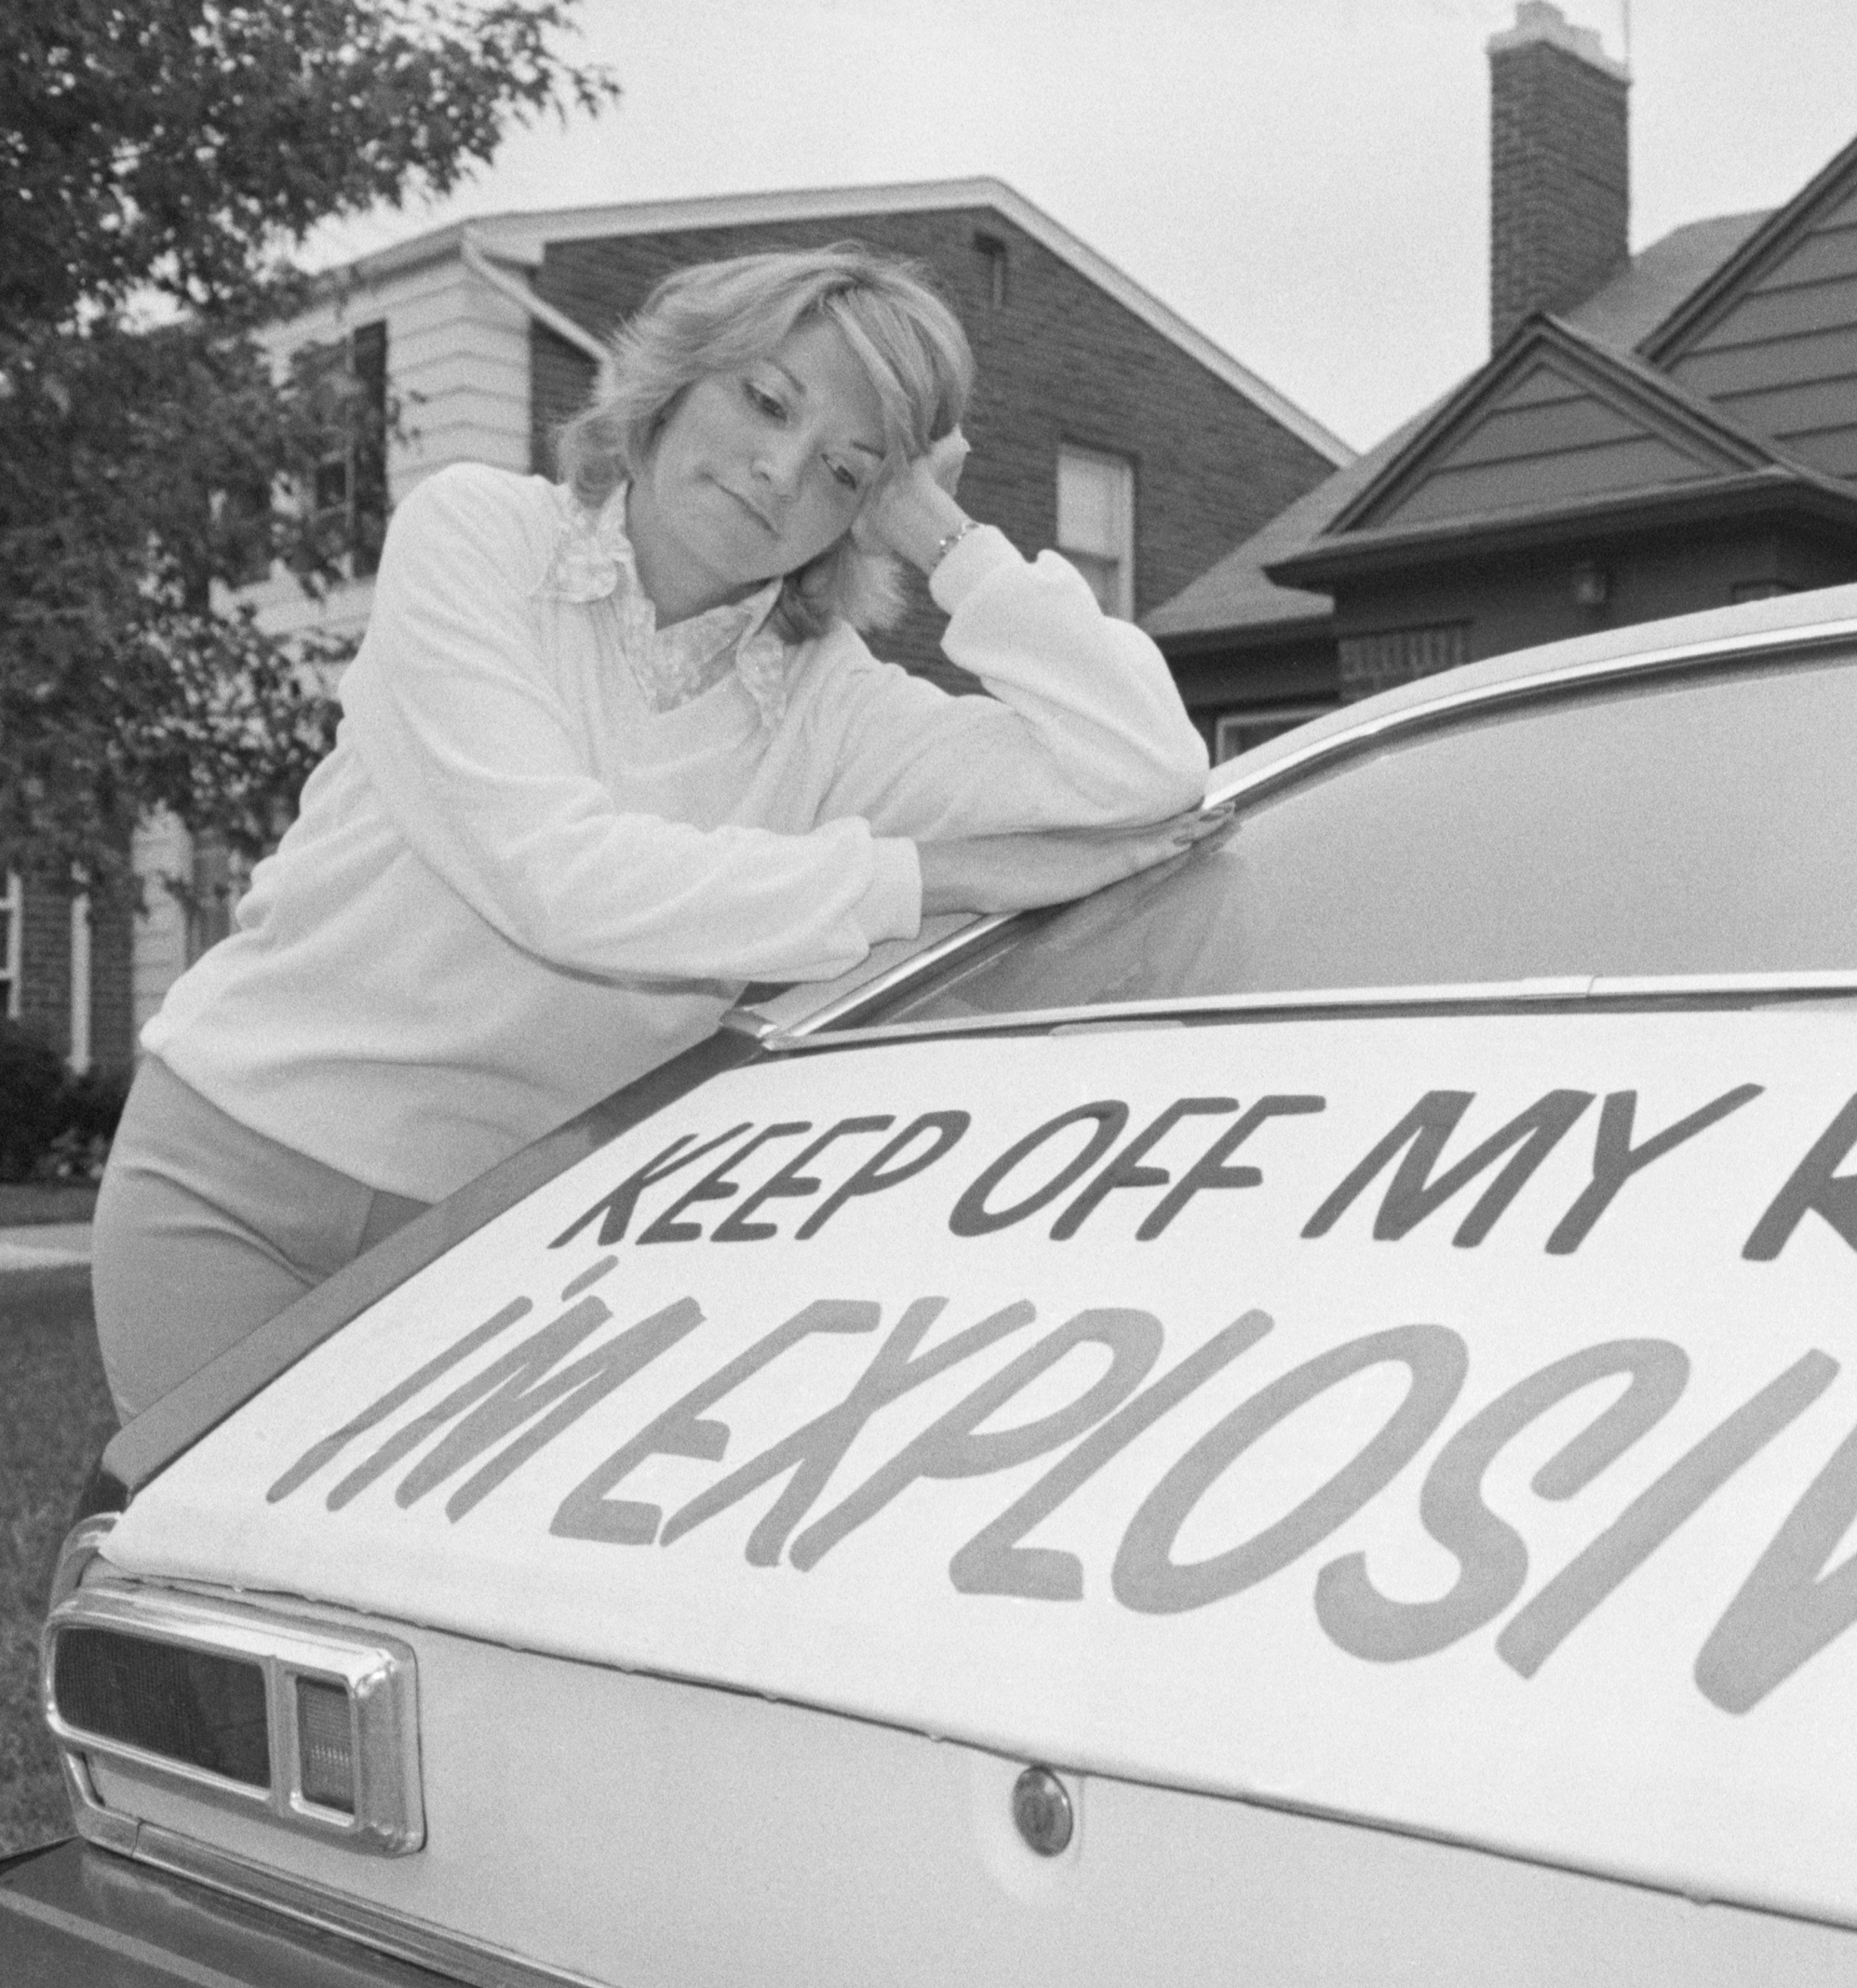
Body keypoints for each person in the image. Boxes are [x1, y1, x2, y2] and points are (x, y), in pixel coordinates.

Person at [92, 243, 1218, 1418]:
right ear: (677, 379)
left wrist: (947, 538)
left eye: (845, 469)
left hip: (501, 1237)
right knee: (217, 1582)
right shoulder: (479, 540)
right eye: (766, 399)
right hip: (229, 1179)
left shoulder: (832, 703)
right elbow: (555, 878)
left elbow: (1146, 767)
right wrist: (917, 878)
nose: (781, 470)